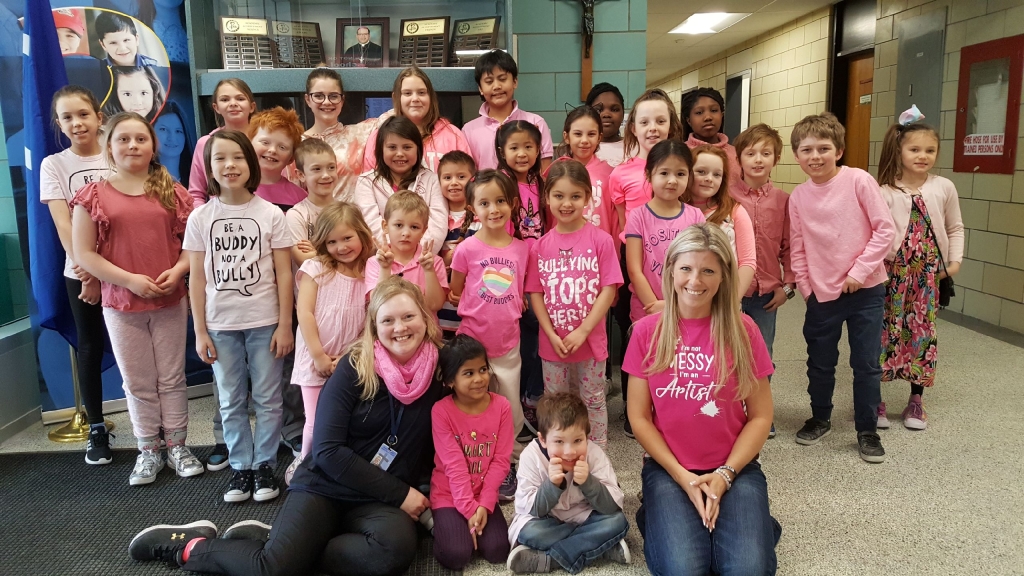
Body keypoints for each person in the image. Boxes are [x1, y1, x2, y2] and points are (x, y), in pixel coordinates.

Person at [128, 278, 444, 576]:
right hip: (327, 486)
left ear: (425, 319)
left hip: (377, 499)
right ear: (374, 327)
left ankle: (290, 545)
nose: (400, 328)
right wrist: (401, 493)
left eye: (408, 317)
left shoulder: (439, 372)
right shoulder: (354, 367)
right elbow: (326, 451)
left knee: (394, 552)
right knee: (274, 568)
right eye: (387, 320)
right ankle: (186, 546)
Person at [625, 223, 781, 576]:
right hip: (669, 469)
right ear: (670, 271)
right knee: (684, 569)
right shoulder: (647, 331)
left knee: (746, 570)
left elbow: (760, 417)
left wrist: (725, 475)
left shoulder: (744, 330)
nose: (695, 280)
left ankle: (750, 523)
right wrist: (682, 477)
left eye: (708, 270)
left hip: (734, 468)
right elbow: (639, 418)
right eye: (686, 268)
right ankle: (660, 514)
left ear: (724, 276)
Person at [70, 111, 199, 485]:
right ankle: (148, 450)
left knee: (172, 377)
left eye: (140, 139)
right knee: (138, 381)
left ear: (152, 145)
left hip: (170, 299)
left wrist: (177, 272)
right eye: (123, 139)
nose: (132, 146)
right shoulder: (93, 195)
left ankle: (177, 445)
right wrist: (129, 280)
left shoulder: (171, 190)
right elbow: (85, 254)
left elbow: (192, 245)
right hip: (122, 305)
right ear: (109, 146)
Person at [185, 130, 294, 502]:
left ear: (251, 163)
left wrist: (284, 324)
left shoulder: (271, 215)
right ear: (209, 167)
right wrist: (199, 331)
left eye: (237, 157)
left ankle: (265, 465)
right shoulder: (200, 218)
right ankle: (240, 467)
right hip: (220, 325)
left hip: (264, 322)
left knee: (267, 397)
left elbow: (284, 273)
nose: (229, 165)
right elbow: (196, 277)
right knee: (230, 399)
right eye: (220, 159)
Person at [788, 112, 896, 463]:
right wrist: (806, 289)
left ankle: (867, 429)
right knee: (820, 362)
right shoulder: (799, 198)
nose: (815, 156)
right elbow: (798, 247)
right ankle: (820, 417)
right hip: (822, 295)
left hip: (866, 291)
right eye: (807, 150)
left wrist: (860, 271)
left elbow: (885, 230)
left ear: (839, 150)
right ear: (796, 155)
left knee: (865, 363)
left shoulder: (859, 181)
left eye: (823, 148)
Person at [876, 114, 963, 431]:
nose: (922, 156)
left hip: (926, 279)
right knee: (882, 335)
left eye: (929, 150)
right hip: (889, 276)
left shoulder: (943, 187)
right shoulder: (884, 190)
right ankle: (876, 398)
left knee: (921, 335)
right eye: (914, 149)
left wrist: (953, 264)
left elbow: (955, 227)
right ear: (899, 150)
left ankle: (916, 400)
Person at [527, 161, 622, 450]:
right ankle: (559, 450)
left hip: (590, 342)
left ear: (587, 198)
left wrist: (583, 331)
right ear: (547, 198)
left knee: (593, 399)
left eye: (575, 196)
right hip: (553, 343)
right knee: (556, 401)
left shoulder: (601, 241)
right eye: (558, 195)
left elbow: (608, 289)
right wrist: (551, 333)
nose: (566, 203)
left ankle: (596, 453)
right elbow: (535, 293)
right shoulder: (539, 246)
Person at [41, 86, 112, 464]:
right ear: (59, 124)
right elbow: (63, 223)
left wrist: (108, 271)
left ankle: (153, 426)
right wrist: (87, 271)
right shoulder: (54, 165)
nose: (76, 122)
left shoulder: (116, 154)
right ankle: (97, 428)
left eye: (83, 114)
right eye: (67, 117)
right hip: (80, 272)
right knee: (90, 343)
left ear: (99, 116)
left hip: (122, 269)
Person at [448, 169, 529, 500]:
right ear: (472, 209)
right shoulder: (466, 249)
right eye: (484, 203)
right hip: (472, 344)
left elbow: (523, 293)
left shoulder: (523, 250)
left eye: (499, 201)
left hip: (508, 344)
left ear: (511, 204)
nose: (493, 209)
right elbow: (455, 292)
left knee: (508, 405)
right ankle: (473, 456)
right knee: (474, 403)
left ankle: (508, 460)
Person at [608, 89, 684, 437]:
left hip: (678, 260)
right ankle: (632, 405)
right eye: (644, 121)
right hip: (636, 259)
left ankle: (670, 402)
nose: (652, 127)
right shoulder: (621, 174)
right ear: (632, 128)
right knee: (634, 332)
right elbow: (623, 225)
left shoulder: (682, 164)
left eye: (660, 120)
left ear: (671, 125)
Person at [288, 202, 374, 483]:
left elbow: (366, 325)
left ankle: (337, 469)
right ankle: (306, 465)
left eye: (347, 238)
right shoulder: (316, 268)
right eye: (332, 241)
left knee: (344, 420)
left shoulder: (368, 274)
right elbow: (305, 313)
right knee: (314, 422)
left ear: (361, 233)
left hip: (348, 362)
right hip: (315, 358)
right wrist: (319, 356)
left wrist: (347, 359)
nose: (341, 246)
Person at [506, 392, 630, 575]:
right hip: (547, 520)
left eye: (578, 441)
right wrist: (552, 485)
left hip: (585, 515)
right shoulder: (530, 457)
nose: (569, 451)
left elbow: (611, 506)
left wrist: (588, 482)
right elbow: (533, 510)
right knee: (529, 532)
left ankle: (551, 560)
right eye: (559, 441)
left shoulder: (594, 454)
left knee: (617, 521)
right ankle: (598, 546)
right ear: (542, 439)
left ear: (587, 437)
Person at [430, 335, 515, 570]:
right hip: (449, 495)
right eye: (468, 373)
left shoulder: (502, 407)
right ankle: (435, 522)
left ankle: (466, 525)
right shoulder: (441, 411)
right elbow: (454, 466)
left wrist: (484, 504)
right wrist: (469, 510)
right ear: (449, 381)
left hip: (483, 494)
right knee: (456, 555)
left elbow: (500, 461)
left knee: (498, 550)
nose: (479, 379)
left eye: (483, 369)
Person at [732, 123, 795, 439]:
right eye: (751, 153)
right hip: (729, 293)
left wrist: (789, 286)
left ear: (776, 158)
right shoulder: (727, 195)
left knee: (762, 355)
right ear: (738, 159)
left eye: (766, 153)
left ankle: (760, 414)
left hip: (766, 294)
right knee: (727, 351)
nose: (758, 159)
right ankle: (728, 414)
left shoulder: (784, 200)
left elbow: (789, 246)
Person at [497, 119, 546, 450]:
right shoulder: (499, 185)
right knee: (523, 342)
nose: (522, 153)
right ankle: (523, 400)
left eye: (529, 146)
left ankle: (534, 395)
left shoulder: (542, 182)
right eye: (514, 147)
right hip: (511, 276)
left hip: (540, 273)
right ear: (501, 152)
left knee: (540, 336)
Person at [625, 140, 705, 324]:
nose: (672, 180)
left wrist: (675, 305)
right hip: (647, 309)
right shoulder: (638, 216)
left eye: (680, 174)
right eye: (664, 173)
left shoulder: (695, 217)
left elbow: (699, 266)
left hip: (686, 307)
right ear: (648, 174)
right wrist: (653, 304)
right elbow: (634, 270)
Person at [354, 116, 447, 253]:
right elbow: (371, 224)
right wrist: (396, 257)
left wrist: (416, 258)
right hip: (383, 261)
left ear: (418, 149)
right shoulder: (366, 182)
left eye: (407, 147)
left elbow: (438, 225)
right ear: (381, 150)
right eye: (392, 147)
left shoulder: (432, 180)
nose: (400, 154)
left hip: (423, 262)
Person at [363, 66, 472, 173]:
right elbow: (370, 184)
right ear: (396, 98)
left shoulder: (453, 135)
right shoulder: (379, 137)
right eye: (407, 93)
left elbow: (468, 179)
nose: (415, 99)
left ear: (431, 97)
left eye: (421, 93)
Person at [292, 68, 378, 200]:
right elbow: (292, 193)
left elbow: (397, 115)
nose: (326, 102)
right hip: (315, 219)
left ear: (342, 100)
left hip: (354, 218)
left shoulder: (361, 133)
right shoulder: (296, 143)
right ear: (308, 99)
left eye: (333, 96)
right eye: (319, 96)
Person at [463, 50, 554, 171]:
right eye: (489, 82)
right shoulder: (468, 131)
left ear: (515, 82)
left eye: (502, 79)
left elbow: (544, 174)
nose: (496, 86)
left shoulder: (536, 123)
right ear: (480, 88)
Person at [685, 145, 756, 297]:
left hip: (724, 296)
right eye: (701, 172)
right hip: (685, 296)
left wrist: (732, 299)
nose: (709, 178)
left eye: (717, 174)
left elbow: (748, 262)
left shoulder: (735, 211)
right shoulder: (676, 210)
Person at [364, 191, 449, 314]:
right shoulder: (375, 262)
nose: (406, 233)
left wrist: (429, 270)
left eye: (414, 227)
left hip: (426, 331)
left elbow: (435, 305)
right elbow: (377, 305)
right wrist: (385, 268)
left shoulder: (434, 262)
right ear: (385, 226)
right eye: (398, 225)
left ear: (424, 231)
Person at [188, 78, 257, 207]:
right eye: (225, 99)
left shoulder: (266, 143)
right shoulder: (205, 143)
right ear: (216, 107)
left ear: (252, 106)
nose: (233, 104)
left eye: (240, 99)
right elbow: (196, 194)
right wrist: (206, 220)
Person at [554, 106, 616, 241]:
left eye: (591, 134)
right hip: (564, 249)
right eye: (578, 134)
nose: (584, 140)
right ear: (566, 137)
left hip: (599, 249)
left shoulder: (610, 173)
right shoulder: (555, 172)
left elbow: (614, 220)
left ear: (599, 137)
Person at [436, 150, 478, 335]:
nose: (454, 182)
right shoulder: (435, 220)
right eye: (447, 177)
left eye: (461, 176)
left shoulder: (480, 219)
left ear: (473, 179)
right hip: (441, 303)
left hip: (472, 303)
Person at [287, 138, 340, 268]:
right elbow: (303, 260)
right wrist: (341, 253)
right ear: (301, 175)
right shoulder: (296, 215)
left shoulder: (347, 211)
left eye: (331, 167)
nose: (326, 175)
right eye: (317, 169)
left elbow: (358, 254)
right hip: (310, 286)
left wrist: (316, 253)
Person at [247, 107, 306, 211]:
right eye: (265, 142)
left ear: (291, 158)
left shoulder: (300, 198)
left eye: (282, 147)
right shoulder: (233, 190)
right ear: (249, 144)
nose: (273, 150)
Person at [681, 88, 741, 187]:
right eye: (699, 112)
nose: (708, 117)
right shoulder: (681, 153)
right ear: (689, 120)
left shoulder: (736, 154)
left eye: (714, 110)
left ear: (722, 115)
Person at [94, 11, 158, 67]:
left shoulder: (153, 65)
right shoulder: (98, 71)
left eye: (126, 40)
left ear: (136, 39)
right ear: (103, 45)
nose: (122, 48)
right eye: (113, 43)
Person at [585, 83, 626, 167]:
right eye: (599, 110)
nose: (606, 114)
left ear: (623, 113)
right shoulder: (581, 148)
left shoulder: (635, 148)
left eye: (614, 109)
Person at [154, 101, 194, 184]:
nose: (172, 138)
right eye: (163, 129)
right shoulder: (142, 181)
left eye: (178, 131)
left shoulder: (198, 181)